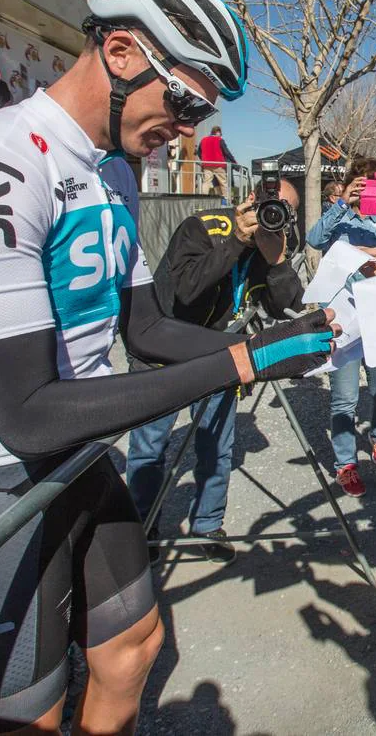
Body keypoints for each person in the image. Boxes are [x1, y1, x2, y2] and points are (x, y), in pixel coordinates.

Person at [0, 0, 336, 734]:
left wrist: (271, 339)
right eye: (186, 100)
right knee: (28, 718)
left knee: (132, 646)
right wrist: (245, 360)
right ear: (122, 54)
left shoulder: (111, 178)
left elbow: (147, 328)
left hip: (81, 449)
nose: (189, 128)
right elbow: (25, 411)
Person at [127, 179, 302, 565]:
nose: (277, 216)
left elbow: (286, 305)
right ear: (253, 199)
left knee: (217, 449)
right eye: (273, 205)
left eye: (286, 211)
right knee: (149, 448)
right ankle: (141, 528)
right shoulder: (204, 226)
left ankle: (207, 525)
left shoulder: (273, 242)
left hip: (219, 354)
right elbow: (187, 291)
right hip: (163, 352)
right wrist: (237, 241)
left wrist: (277, 263)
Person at [307, 156, 376, 497]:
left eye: (373, 186)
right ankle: (345, 465)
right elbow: (313, 239)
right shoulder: (339, 218)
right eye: (359, 185)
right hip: (343, 318)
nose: (366, 192)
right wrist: (341, 204)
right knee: (343, 400)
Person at [198, 124, 237, 199]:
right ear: (217, 132)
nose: (220, 136)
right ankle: (226, 200)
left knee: (206, 182)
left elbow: (199, 152)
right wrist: (234, 161)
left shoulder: (203, 140)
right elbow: (226, 152)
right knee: (223, 182)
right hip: (219, 164)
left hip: (207, 165)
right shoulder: (219, 140)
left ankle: (202, 199)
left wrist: (203, 160)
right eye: (220, 134)